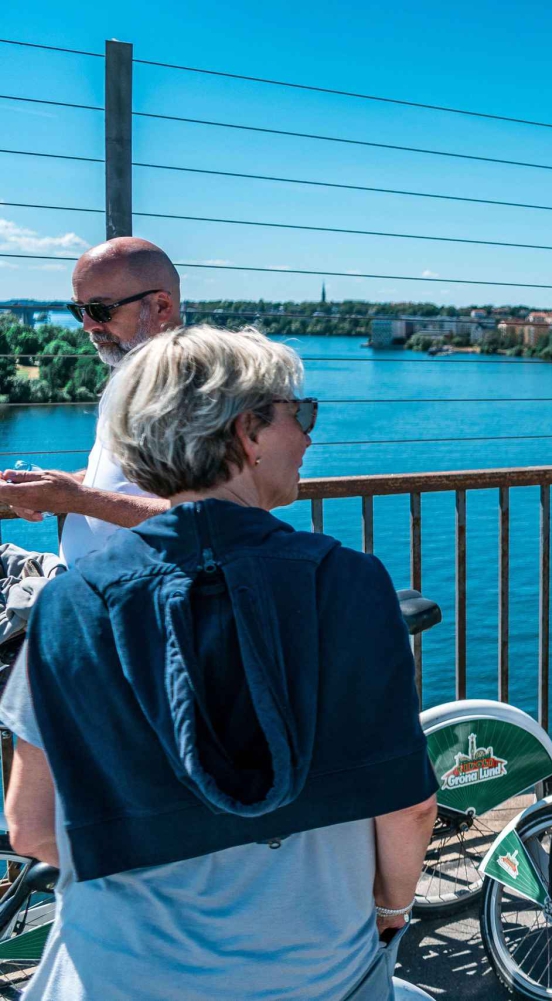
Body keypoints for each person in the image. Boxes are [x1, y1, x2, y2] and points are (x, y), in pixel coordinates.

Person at [2, 326, 440, 1000]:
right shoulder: (348, 584)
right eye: (302, 414)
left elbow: (30, 825)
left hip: (117, 974)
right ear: (248, 433)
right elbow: (408, 809)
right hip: (313, 973)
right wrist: (388, 910)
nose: (309, 436)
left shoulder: (71, 603)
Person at [0, 238, 178, 564]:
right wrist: (59, 487)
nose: (86, 326)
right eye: (78, 310)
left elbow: (213, 520)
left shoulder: (205, 388)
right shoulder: (127, 370)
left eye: (99, 310)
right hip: (92, 594)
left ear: (161, 307)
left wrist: (78, 498)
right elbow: (131, 484)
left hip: (145, 605)